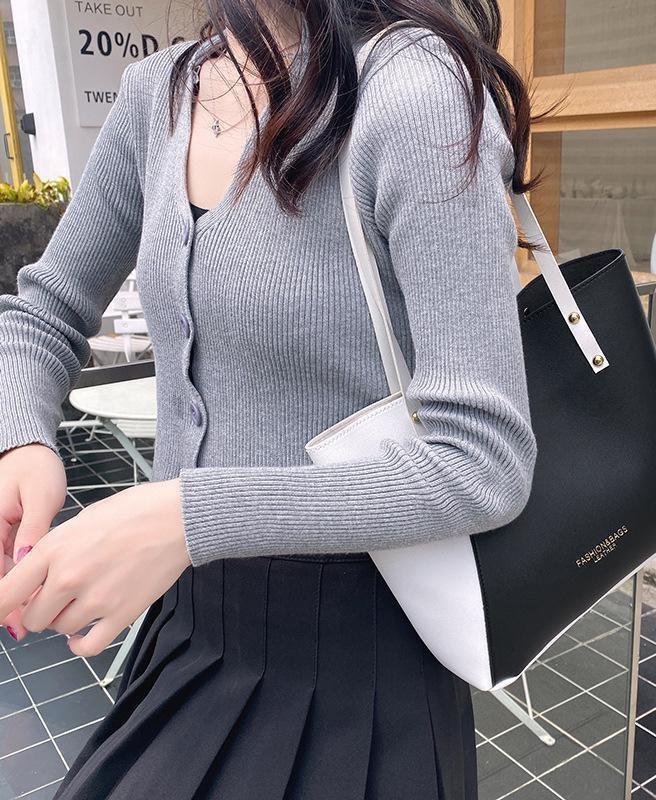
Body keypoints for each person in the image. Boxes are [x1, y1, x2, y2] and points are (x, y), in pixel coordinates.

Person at [0, 2, 539, 796]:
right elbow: (45, 309)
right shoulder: (159, 94)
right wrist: (22, 440)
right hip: (188, 628)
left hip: (359, 668)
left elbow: (483, 463)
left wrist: (185, 517)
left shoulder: (412, 91)